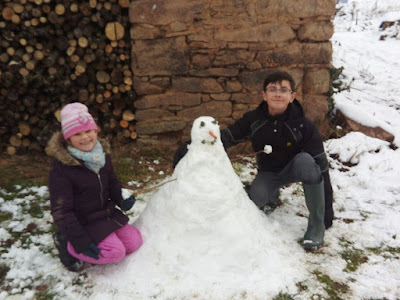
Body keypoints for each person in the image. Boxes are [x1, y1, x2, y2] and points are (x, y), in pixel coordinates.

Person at [173, 71, 334, 251]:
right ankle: (270, 197)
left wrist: (326, 212)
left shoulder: (304, 126)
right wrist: (194, 144)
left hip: (295, 168)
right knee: (255, 200)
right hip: (269, 173)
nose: (278, 94)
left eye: (284, 90)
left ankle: (315, 227)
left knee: (307, 161)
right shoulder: (254, 119)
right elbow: (227, 137)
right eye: (272, 89)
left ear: (292, 96)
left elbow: (321, 167)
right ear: (264, 95)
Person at [46, 102, 143, 271]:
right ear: (67, 138)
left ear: (96, 131)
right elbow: (62, 211)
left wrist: (122, 198)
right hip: (83, 222)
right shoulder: (62, 170)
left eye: (88, 131)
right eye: (77, 133)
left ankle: (103, 237)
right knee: (115, 253)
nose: (85, 137)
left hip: (106, 214)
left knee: (134, 242)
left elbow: (112, 182)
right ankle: (67, 245)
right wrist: (80, 242)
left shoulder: (101, 157)